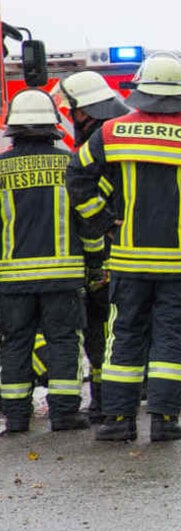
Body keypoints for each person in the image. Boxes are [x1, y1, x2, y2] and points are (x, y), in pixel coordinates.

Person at [67, 52, 181, 442]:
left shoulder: (112, 132)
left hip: (129, 260)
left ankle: (118, 421)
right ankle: (165, 421)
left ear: (141, 92)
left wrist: (101, 220)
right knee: (171, 336)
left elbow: (78, 174)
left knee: (124, 334)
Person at [0, 89, 90, 433]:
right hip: (63, 278)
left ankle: (17, 418)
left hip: (12, 279)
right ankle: (64, 415)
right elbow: (87, 219)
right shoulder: (71, 164)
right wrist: (95, 261)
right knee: (64, 342)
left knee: (15, 344)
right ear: (54, 126)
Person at [56, 70, 130, 424]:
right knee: (120, 330)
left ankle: (105, 404)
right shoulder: (119, 136)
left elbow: (89, 208)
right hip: (131, 253)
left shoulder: (96, 148)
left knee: (101, 333)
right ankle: (114, 399)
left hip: (107, 256)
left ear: (82, 111)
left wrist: (95, 260)